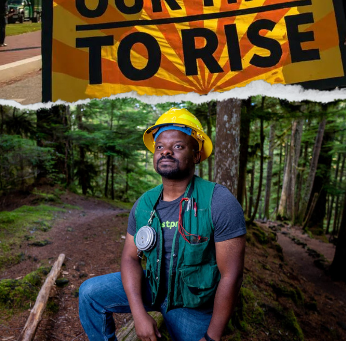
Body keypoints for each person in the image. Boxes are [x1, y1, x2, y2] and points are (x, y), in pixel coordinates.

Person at [77, 108, 246, 341]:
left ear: (196, 155)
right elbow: (129, 258)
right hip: (153, 287)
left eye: (178, 146)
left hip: (193, 303)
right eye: (159, 147)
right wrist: (139, 314)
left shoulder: (218, 201)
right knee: (89, 293)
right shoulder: (144, 203)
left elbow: (232, 275)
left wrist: (211, 338)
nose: (166, 151)